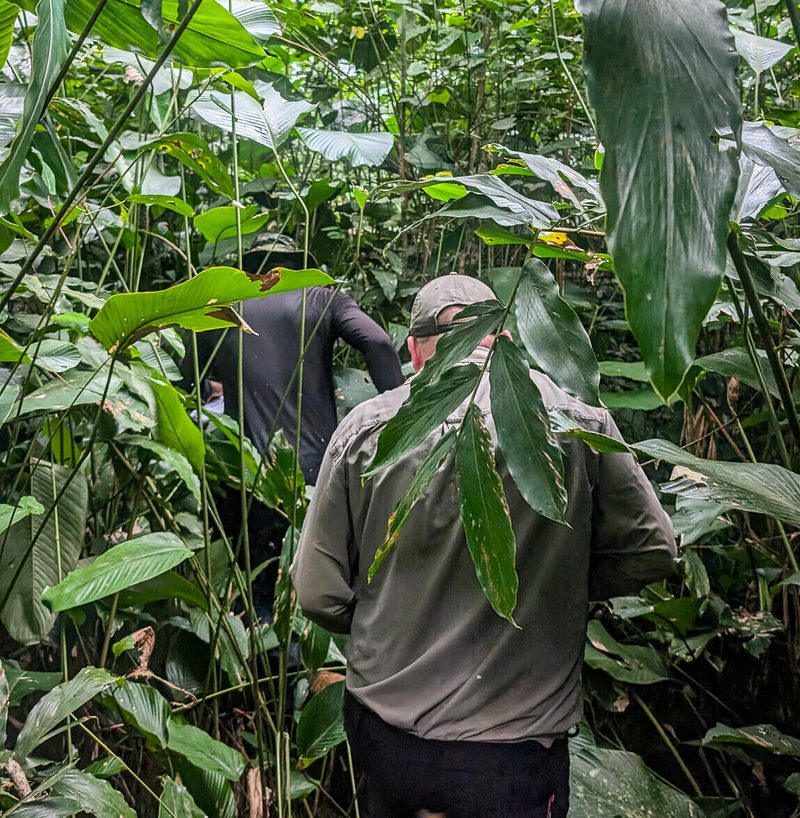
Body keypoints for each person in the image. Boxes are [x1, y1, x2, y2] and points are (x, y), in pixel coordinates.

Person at [291, 273, 677, 818]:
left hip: (391, 738)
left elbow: (317, 594)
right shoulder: (579, 423)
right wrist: (554, 584)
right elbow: (653, 549)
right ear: (508, 339)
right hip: (515, 754)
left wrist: (396, 613)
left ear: (416, 352)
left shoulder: (368, 430)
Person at [182, 234, 403, 612]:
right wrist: (401, 410)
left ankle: (260, 661)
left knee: (255, 589)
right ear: (300, 265)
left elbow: (189, 377)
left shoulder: (223, 308)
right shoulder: (320, 296)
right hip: (318, 470)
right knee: (322, 580)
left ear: (249, 267)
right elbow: (378, 342)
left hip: (245, 469)